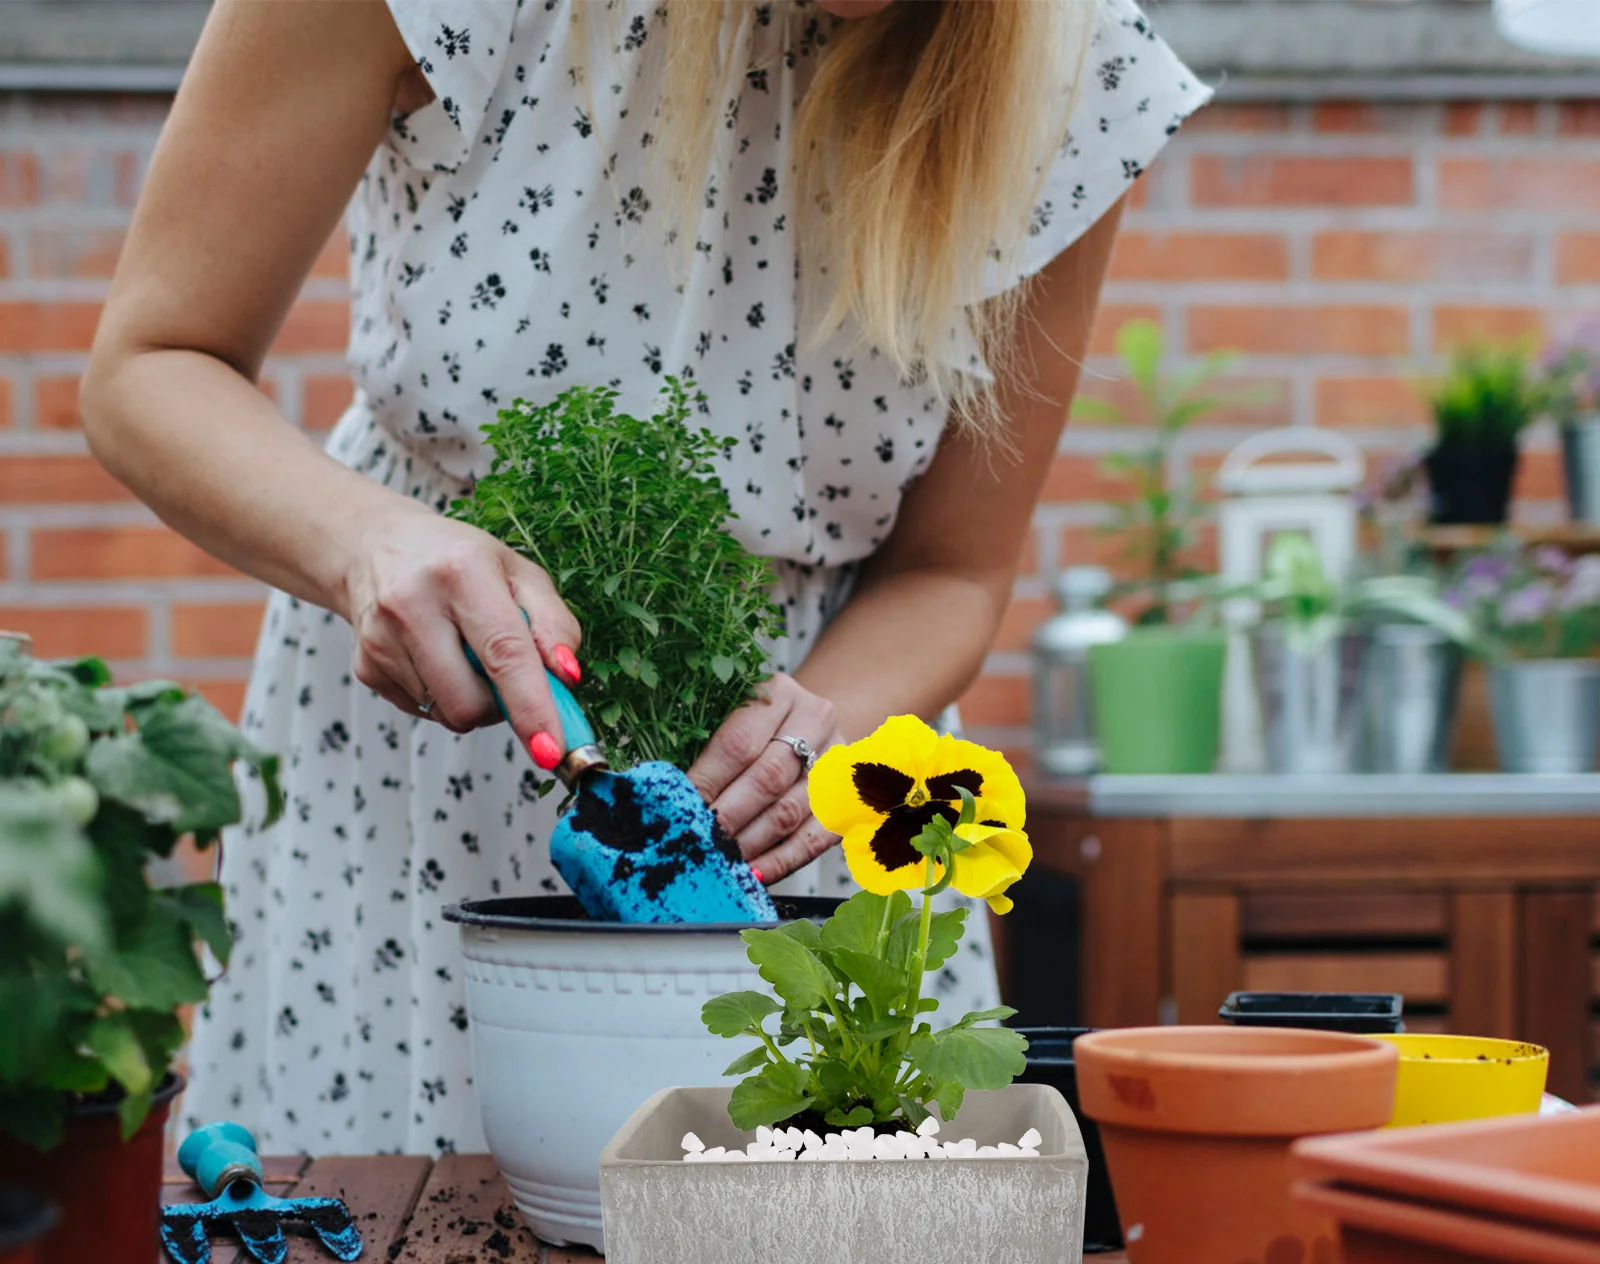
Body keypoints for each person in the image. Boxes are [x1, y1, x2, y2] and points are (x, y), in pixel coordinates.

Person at [82, 0, 1208, 1154]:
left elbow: (952, 572)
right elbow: (151, 364)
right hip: (419, 780)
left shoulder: (1071, 70)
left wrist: (803, 752)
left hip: (801, 821)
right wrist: (369, 544)